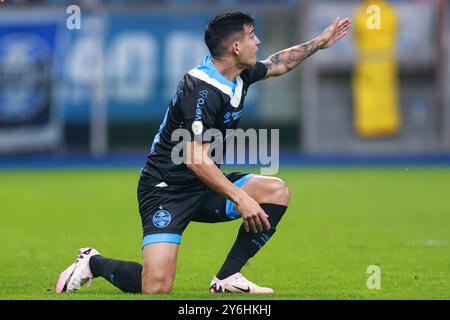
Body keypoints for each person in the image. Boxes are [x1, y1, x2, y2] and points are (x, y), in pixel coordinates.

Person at [55, 11, 351, 295]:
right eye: (252, 36)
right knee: (155, 286)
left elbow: (278, 64)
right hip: (165, 190)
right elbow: (193, 158)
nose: (258, 41)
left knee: (275, 190)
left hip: (204, 185)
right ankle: (93, 263)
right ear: (236, 47)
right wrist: (241, 197)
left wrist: (319, 43)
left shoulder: (239, 74)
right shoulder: (201, 89)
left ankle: (227, 277)